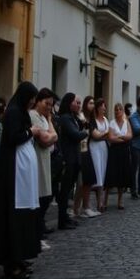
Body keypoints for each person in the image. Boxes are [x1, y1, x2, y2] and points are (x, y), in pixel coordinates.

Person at [0, 81, 42, 279]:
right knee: (13, 216)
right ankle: (11, 263)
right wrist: (32, 132)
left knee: (24, 215)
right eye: (32, 99)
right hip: (14, 173)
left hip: (23, 173)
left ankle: (19, 257)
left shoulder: (19, 111)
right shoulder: (13, 112)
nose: (33, 102)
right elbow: (13, 137)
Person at [29, 88, 58, 243]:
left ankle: (38, 231)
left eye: (51, 105)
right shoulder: (33, 116)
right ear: (38, 101)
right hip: (37, 159)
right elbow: (46, 139)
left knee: (46, 196)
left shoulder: (45, 117)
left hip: (46, 159)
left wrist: (50, 124)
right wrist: (51, 135)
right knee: (40, 198)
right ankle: (36, 234)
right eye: (46, 103)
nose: (48, 107)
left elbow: (54, 135)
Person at [56, 93, 87, 230]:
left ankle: (65, 217)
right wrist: (86, 132)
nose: (79, 105)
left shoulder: (73, 118)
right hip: (68, 158)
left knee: (69, 190)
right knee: (64, 191)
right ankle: (62, 219)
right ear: (69, 103)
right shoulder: (65, 118)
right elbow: (76, 135)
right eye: (77, 103)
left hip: (74, 158)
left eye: (80, 103)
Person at [104, 102, 132, 210]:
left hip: (124, 151)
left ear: (123, 111)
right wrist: (123, 138)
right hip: (114, 151)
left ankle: (120, 200)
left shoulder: (126, 122)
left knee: (122, 176)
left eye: (120, 109)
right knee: (111, 175)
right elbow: (111, 138)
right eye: (116, 109)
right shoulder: (112, 123)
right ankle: (105, 200)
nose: (118, 111)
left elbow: (130, 135)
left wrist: (119, 137)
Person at [88, 99, 109, 212]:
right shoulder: (93, 120)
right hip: (94, 147)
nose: (104, 109)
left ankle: (100, 202)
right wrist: (105, 134)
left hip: (103, 148)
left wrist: (103, 135)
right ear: (98, 108)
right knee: (97, 173)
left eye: (105, 107)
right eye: (102, 106)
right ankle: (91, 203)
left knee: (102, 172)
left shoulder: (105, 120)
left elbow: (105, 135)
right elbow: (95, 135)